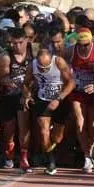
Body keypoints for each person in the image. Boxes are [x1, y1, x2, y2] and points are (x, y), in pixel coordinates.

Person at [25, 46, 74, 175]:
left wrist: (58, 98)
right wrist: (27, 95)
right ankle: (50, 161)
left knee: (57, 137)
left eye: (46, 67)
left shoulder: (58, 62)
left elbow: (71, 83)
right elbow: (26, 83)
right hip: (42, 99)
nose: (44, 70)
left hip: (60, 99)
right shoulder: (32, 66)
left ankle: (52, 149)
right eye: (41, 68)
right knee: (43, 131)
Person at [0, 28, 33, 172]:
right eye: (14, 43)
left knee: (24, 127)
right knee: (9, 130)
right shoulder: (6, 56)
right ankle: (9, 155)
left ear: (26, 40)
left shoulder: (33, 53)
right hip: (9, 96)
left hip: (25, 96)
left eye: (20, 43)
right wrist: (9, 81)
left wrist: (27, 90)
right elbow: (2, 77)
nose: (17, 46)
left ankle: (24, 157)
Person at [67, 27, 94, 174]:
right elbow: (60, 65)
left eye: (86, 45)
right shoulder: (70, 51)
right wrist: (68, 78)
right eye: (80, 45)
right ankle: (87, 156)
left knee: (92, 125)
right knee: (80, 122)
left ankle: (91, 148)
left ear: (91, 42)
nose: (83, 47)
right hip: (77, 91)